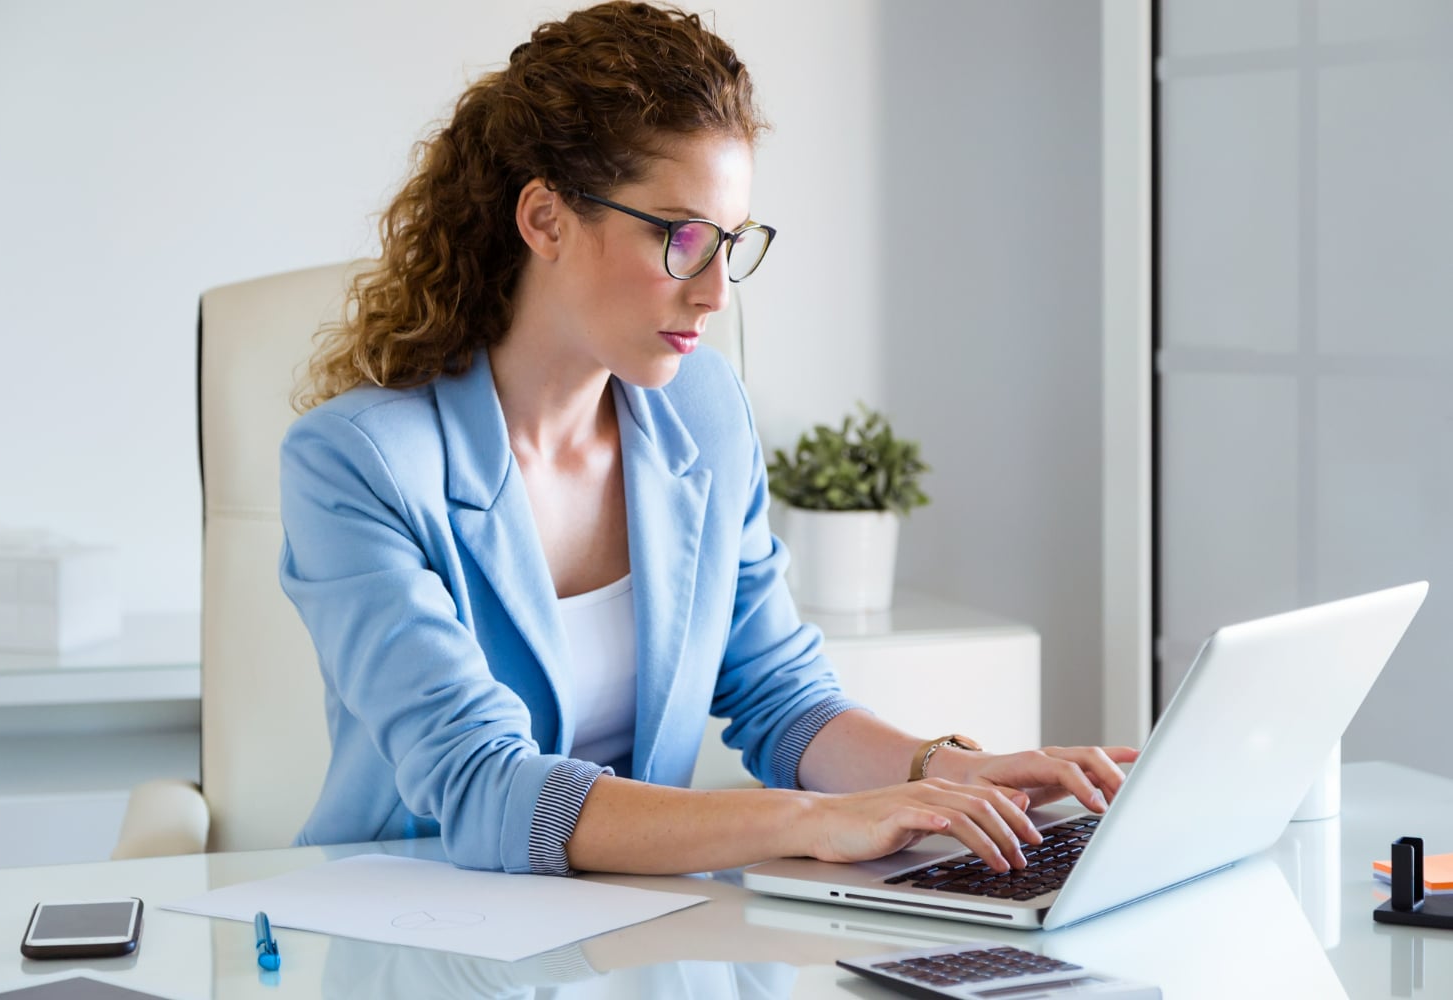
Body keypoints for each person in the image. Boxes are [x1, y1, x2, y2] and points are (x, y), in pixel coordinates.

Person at [280, 0, 1137, 879]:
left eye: (731, 241)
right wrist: (811, 820)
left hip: (626, 923)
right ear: (545, 221)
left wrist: (946, 771)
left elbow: (779, 694)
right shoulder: (355, 463)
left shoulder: (704, 410)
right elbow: (480, 782)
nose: (716, 293)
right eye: (683, 237)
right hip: (407, 929)